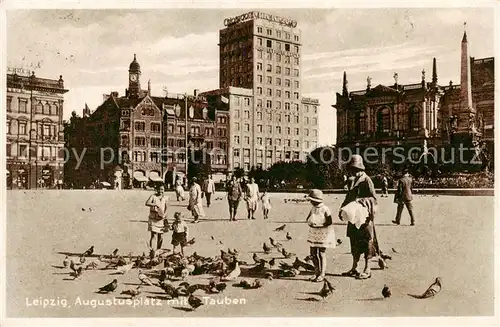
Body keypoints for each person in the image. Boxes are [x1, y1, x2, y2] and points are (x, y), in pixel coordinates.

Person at [339, 154, 379, 280]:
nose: (353, 172)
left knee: (366, 241)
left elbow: (374, 198)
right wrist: (342, 209)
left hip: (364, 217)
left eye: (355, 169)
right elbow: (349, 196)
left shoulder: (367, 180)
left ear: (360, 169)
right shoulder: (353, 180)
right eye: (352, 169)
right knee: (354, 241)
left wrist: (361, 201)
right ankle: (354, 267)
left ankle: (367, 268)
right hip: (353, 216)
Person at [306, 189, 336, 282]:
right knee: (313, 253)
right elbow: (308, 218)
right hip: (314, 232)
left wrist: (320, 225)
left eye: (311, 200)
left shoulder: (325, 208)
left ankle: (322, 273)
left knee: (321, 253)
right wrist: (310, 223)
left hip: (323, 233)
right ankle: (316, 271)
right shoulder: (313, 208)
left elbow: (329, 221)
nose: (310, 202)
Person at [145, 184, 169, 251]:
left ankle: (159, 250)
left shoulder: (166, 198)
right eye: (160, 189)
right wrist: (155, 204)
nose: (161, 191)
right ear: (157, 190)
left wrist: (164, 215)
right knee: (154, 235)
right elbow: (147, 203)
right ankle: (152, 251)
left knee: (161, 236)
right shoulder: (153, 196)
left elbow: (167, 208)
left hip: (162, 219)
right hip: (153, 218)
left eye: (163, 189)